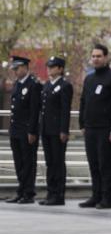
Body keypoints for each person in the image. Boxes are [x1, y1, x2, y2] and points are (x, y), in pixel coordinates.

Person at [80, 44, 111, 209]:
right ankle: (95, 195)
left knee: (105, 164)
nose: (95, 59)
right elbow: (83, 101)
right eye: (93, 56)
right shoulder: (89, 78)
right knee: (93, 164)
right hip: (90, 128)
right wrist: (82, 123)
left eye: (99, 56)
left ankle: (106, 197)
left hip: (105, 128)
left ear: (106, 58)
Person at [5, 55, 41, 204]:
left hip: (27, 131)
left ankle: (28, 193)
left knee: (28, 162)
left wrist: (32, 131)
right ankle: (21, 191)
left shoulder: (33, 85)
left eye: (17, 68)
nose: (15, 71)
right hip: (15, 130)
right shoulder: (17, 84)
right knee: (18, 162)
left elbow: (34, 111)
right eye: (14, 68)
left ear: (25, 68)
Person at [38, 56, 72, 206]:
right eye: (48, 66)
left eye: (52, 67)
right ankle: (50, 192)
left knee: (58, 162)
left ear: (60, 69)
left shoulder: (65, 86)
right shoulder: (47, 85)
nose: (49, 69)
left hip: (57, 130)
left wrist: (64, 130)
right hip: (46, 129)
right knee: (50, 162)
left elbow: (65, 110)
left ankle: (59, 195)